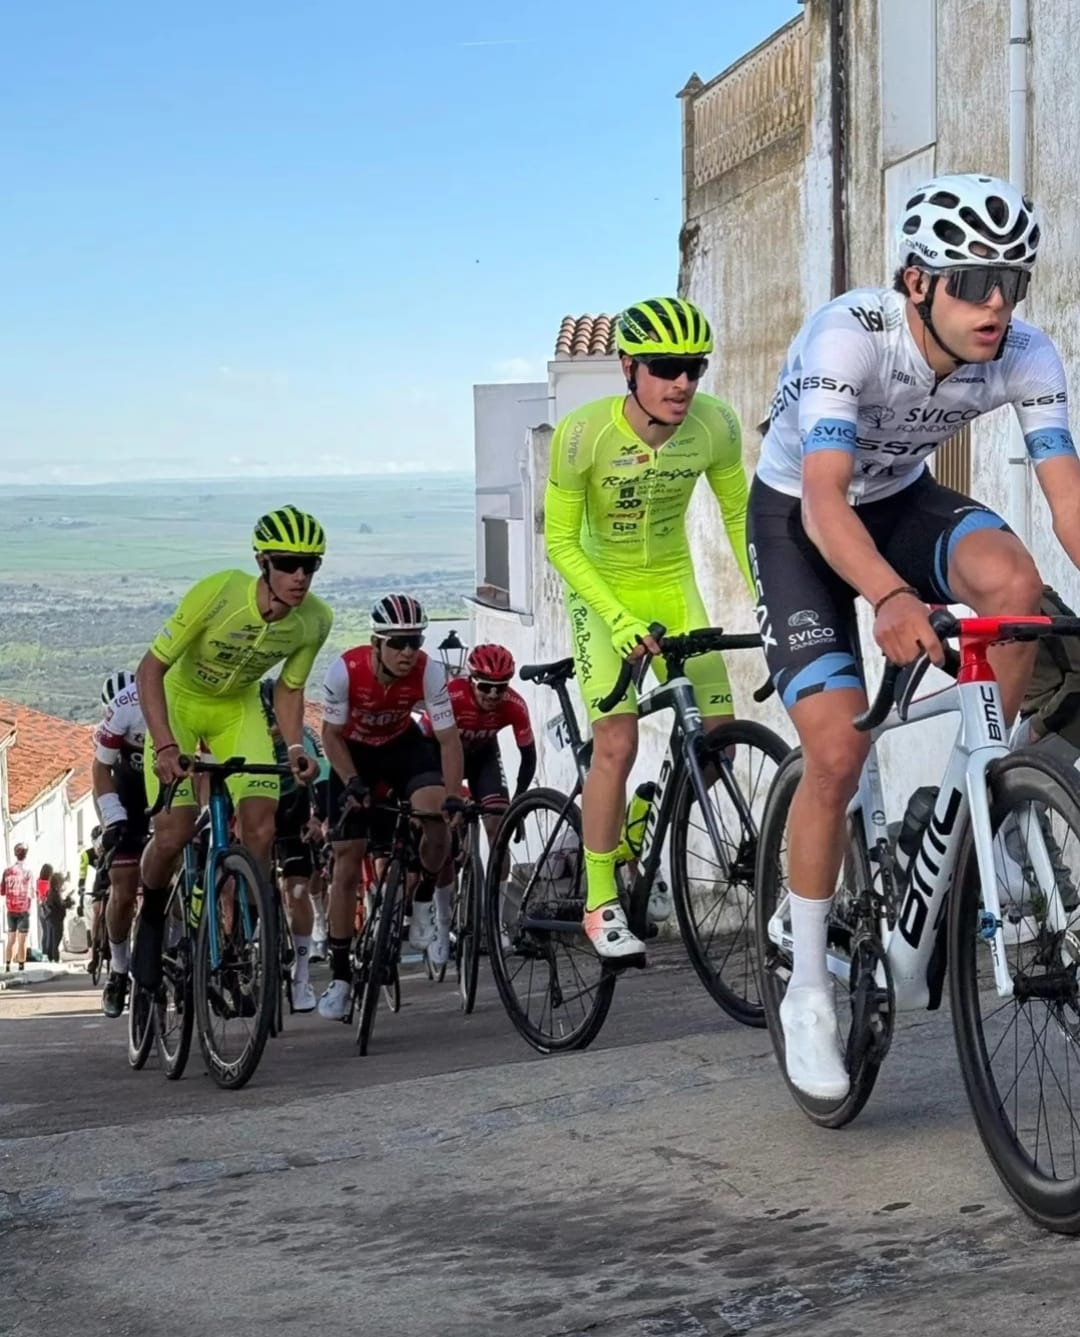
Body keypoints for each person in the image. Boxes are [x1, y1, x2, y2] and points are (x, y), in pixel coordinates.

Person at [748, 173, 1078, 1102]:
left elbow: (1067, 501)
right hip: (800, 519)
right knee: (838, 750)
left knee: (1016, 590)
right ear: (917, 281)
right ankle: (808, 984)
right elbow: (823, 499)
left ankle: (984, 794)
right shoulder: (849, 336)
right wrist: (890, 598)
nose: (996, 304)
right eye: (973, 281)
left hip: (898, 502)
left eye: (1012, 281)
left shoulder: (1025, 354)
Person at [543, 296, 754, 962]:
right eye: (665, 367)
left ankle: (648, 813)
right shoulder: (582, 434)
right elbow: (559, 542)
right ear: (629, 368)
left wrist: (771, 603)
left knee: (717, 741)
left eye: (695, 367)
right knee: (617, 740)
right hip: (603, 592)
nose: (682, 382)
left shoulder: (715, 424)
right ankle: (600, 899)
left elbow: (741, 520)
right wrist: (615, 617)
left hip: (672, 585)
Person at [133, 506, 332, 993]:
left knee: (261, 826)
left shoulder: (314, 620)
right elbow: (150, 670)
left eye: (310, 565)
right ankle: (152, 914)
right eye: (287, 563)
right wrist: (165, 745)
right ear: (263, 563)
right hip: (180, 704)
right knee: (175, 831)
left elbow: (288, 689)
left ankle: (242, 938)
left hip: (236, 712)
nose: (300, 576)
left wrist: (293, 746)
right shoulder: (220, 591)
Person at [317, 593, 465, 1021]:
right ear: (376, 643)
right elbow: (330, 736)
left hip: (402, 747)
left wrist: (453, 794)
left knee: (435, 818)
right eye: (397, 643)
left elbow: (448, 739)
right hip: (354, 754)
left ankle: (422, 899)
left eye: (414, 642)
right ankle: (340, 977)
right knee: (347, 861)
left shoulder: (429, 671)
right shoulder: (345, 670)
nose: (407, 652)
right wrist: (351, 782)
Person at [417, 643, 536, 922]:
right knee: (443, 834)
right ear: (471, 681)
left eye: (501, 687)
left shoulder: (515, 705)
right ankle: (442, 918)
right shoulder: (452, 695)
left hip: (483, 757)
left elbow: (528, 756)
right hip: (439, 755)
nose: (493, 694)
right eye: (485, 687)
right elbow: (421, 740)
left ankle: (496, 922)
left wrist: (518, 803)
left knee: (498, 828)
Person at [259, 676, 329, 1013]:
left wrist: (318, 820)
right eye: (267, 721)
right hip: (257, 805)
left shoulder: (304, 737)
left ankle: (301, 976)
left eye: (277, 720)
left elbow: (324, 780)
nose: (273, 729)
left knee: (297, 890)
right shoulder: (245, 733)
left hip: (294, 808)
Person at [92, 669, 149, 1016]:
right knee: (124, 888)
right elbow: (100, 775)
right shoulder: (115, 719)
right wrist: (111, 820)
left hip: (168, 792)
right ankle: (118, 969)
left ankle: (178, 947)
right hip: (127, 797)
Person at [2, 843, 34, 973]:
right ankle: (21, 966)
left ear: (15, 854)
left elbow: (2, 891)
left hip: (10, 909)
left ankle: (7, 965)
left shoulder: (7, 871)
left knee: (11, 938)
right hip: (23, 909)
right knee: (22, 940)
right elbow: (31, 892)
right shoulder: (28, 872)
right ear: (26, 854)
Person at [43, 872, 72, 963]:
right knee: (56, 939)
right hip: (57, 920)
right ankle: (55, 958)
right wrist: (68, 901)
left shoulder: (50, 892)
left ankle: (51, 957)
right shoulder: (55, 894)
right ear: (58, 884)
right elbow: (61, 906)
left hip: (51, 919)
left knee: (51, 939)